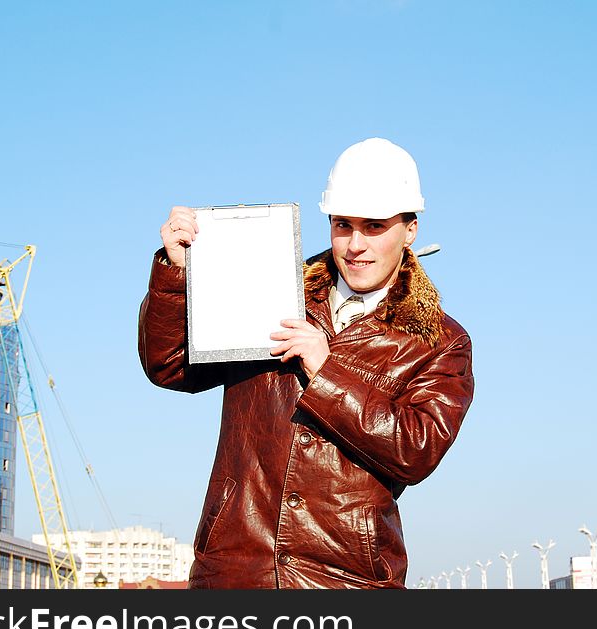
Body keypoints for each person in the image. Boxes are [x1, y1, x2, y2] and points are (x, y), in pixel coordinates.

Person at [138, 137, 474, 589]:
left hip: (346, 581)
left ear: (410, 229)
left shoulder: (440, 341)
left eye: (374, 226)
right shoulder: (269, 293)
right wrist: (177, 272)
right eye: (342, 224)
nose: (356, 244)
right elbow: (170, 366)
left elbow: (416, 450)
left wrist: (327, 372)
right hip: (236, 571)